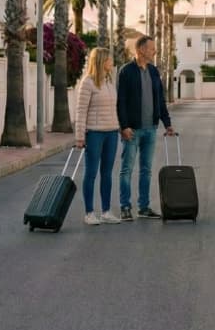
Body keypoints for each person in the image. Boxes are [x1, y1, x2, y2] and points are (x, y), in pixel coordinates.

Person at [116, 35, 175, 221]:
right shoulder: (126, 71)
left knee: (146, 170)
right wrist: (124, 126)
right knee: (127, 169)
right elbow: (121, 102)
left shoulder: (153, 71)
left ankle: (144, 207)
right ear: (141, 49)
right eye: (152, 48)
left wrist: (167, 123)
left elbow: (160, 100)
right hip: (132, 129)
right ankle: (125, 207)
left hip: (151, 128)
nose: (154, 51)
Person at [74, 48, 121, 226]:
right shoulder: (88, 82)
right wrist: (80, 136)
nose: (112, 62)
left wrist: (119, 128)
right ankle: (89, 212)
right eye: (110, 59)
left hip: (111, 133)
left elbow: (113, 108)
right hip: (94, 133)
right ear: (101, 61)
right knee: (91, 173)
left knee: (107, 173)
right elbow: (81, 111)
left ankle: (106, 211)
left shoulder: (109, 82)